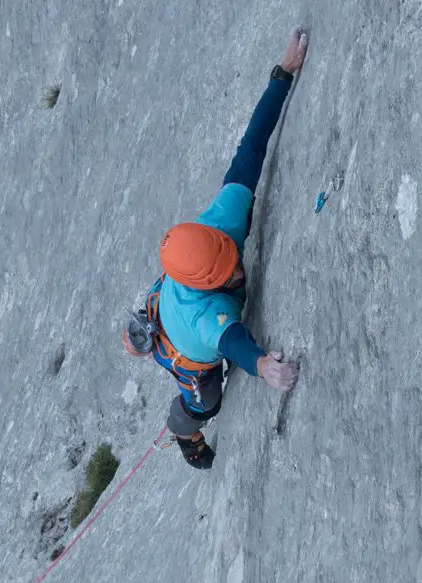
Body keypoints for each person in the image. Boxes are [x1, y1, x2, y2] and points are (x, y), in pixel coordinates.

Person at [123, 27, 307, 469]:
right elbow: (233, 341)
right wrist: (263, 366)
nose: (240, 273)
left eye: (231, 262)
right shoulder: (206, 318)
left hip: (168, 300)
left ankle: (140, 336)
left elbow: (250, 153)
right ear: (207, 283)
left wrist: (282, 74)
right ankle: (183, 433)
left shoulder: (217, 227)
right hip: (189, 353)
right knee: (207, 400)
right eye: (229, 277)